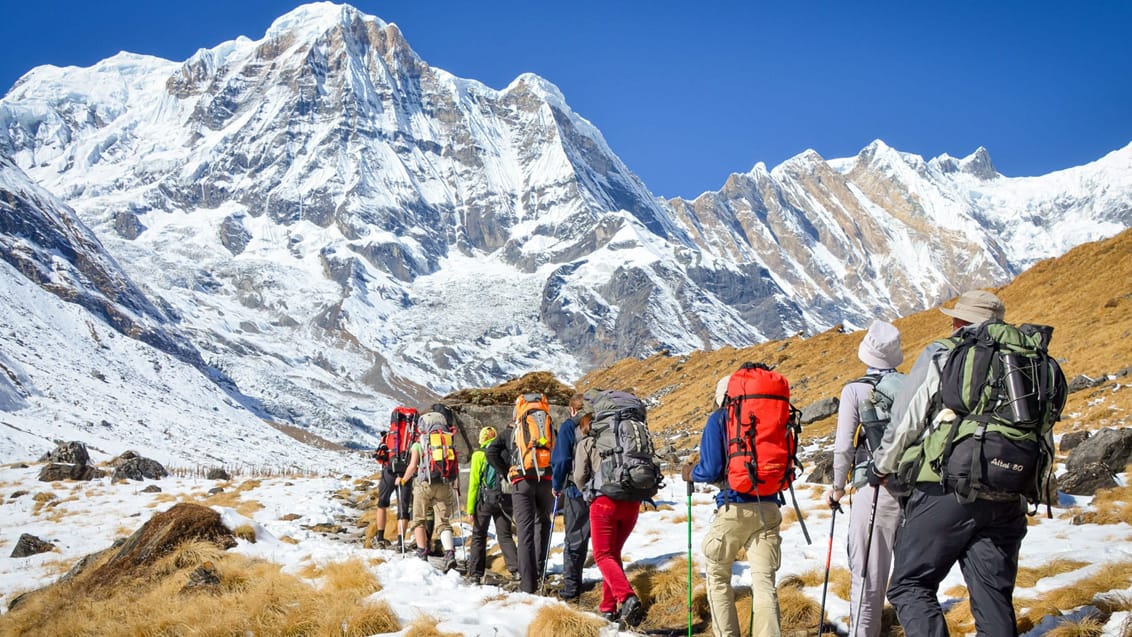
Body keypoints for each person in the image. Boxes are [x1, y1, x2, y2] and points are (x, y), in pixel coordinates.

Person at [869, 290, 1030, 636]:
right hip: (1009, 492)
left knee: (910, 585)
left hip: (947, 488)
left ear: (960, 322)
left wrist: (882, 466)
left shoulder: (945, 351)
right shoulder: (1023, 360)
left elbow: (907, 418)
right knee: (992, 596)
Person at [684, 375, 783, 637]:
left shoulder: (719, 419)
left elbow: (710, 468)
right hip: (770, 507)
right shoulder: (769, 416)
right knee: (764, 584)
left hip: (733, 508)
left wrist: (690, 473)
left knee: (717, 578)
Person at [823, 320, 905, 637]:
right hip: (916, 491)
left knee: (868, 576)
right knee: (912, 579)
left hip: (874, 489)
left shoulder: (855, 390)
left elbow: (844, 445)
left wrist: (837, 488)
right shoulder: (912, 384)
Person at [573, 400, 644, 626]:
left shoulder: (587, 441)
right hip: (632, 501)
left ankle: (627, 597)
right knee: (613, 554)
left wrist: (587, 492)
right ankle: (608, 607)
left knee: (603, 556)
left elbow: (579, 476)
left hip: (604, 502)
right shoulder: (625, 437)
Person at [486, 396, 555, 594]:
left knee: (525, 530)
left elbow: (491, 453)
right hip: (546, 479)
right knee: (542, 523)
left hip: (521, 481)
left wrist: (506, 471)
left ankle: (528, 584)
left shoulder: (511, 431)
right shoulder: (549, 427)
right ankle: (540, 571)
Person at [398, 411, 459, 572]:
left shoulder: (419, 443)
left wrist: (403, 480)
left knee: (419, 519)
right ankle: (449, 554)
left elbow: (412, 466)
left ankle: (422, 551)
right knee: (443, 521)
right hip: (444, 484)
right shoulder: (448, 440)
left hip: (424, 484)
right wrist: (455, 484)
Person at [465, 426, 520, 584]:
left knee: (478, 536)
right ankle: (516, 570)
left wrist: (470, 509)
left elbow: (474, 484)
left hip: (485, 500)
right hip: (505, 498)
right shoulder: (504, 452)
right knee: (505, 535)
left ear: (482, 439)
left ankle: (475, 574)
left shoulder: (478, 455)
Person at [550, 393, 590, 601]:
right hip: (603, 490)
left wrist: (557, 485)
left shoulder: (569, 426)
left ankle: (571, 589)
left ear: (573, 409)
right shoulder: (603, 423)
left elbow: (562, 459)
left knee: (574, 539)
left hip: (577, 491)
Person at [368, 426, 414, 551]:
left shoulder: (389, 435)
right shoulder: (412, 436)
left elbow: (380, 457)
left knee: (382, 504)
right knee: (403, 508)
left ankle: (380, 538)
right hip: (406, 472)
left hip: (389, 471)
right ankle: (400, 544)